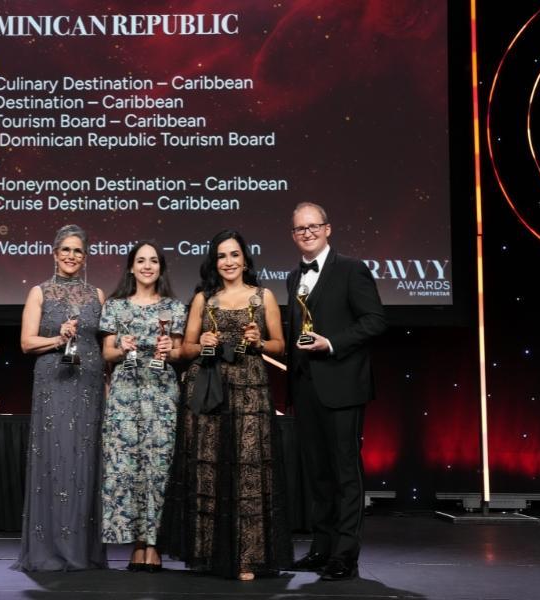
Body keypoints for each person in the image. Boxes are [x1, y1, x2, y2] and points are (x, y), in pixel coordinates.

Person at [161, 230, 293, 581]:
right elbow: (186, 349)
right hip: (209, 389)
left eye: (234, 254)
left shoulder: (263, 296)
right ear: (214, 262)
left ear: (245, 259)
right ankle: (209, 554)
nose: (229, 261)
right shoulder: (204, 299)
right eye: (222, 256)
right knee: (210, 470)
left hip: (250, 388)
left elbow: (280, 346)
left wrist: (259, 341)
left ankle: (248, 557)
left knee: (249, 469)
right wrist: (202, 341)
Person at [284, 202, 386, 581]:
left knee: (345, 474)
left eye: (314, 226)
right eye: (300, 228)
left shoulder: (351, 269)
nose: (307, 233)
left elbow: (375, 320)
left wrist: (331, 343)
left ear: (328, 229)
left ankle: (345, 555)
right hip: (306, 387)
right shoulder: (293, 277)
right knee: (318, 474)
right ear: (293, 235)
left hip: (343, 386)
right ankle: (321, 548)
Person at [13, 224, 107, 571]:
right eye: (65, 250)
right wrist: (57, 339)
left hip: (90, 383)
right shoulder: (39, 292)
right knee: (57, 458)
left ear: (85, 257)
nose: (71, 256)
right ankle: (51, 549)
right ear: (54, 254)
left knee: (85, 461)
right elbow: (26, 343)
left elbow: (104, 343)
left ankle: (82, 550)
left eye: (77, 251)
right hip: (54, 381)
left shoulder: (97, 294)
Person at [98, 241, 187, 573]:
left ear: (160, 268)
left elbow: (180, 352)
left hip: (162, 393)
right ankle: (137, 544)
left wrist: (169, 349)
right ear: (131, 268)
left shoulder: (174, 307)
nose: (147, 266)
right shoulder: (115, 306)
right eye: (141, 261)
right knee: (127, 468)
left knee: (159, 468)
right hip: (125, 394)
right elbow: (107, 354)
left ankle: (154, 544)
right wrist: (121, 347)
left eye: (153, 261)